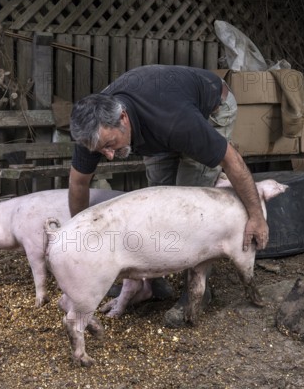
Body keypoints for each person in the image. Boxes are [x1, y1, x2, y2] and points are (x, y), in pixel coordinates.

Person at [68, 65, 269, 327]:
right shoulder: (94, 127)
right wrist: (80, 235)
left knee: (190, 209)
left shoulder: (175, 121)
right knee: (157, 206)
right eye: (100, 149)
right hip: (157, 127)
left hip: (211, 108)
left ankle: (198, 290)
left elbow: (232, 161)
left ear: (123, 119)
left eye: (110, 146)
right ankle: (151, 283)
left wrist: (256, 216)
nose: (107, 155)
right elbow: (78, 183)